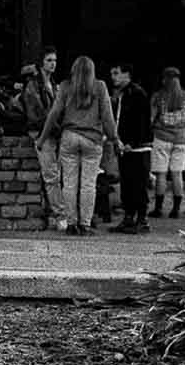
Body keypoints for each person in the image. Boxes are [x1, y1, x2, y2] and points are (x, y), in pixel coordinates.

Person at [38, 55, 118, 236]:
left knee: (69, 183)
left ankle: (71, 224)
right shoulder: (100, 86)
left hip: (69, 137)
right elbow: (107, 116)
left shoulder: (66, 86)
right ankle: (85, 224)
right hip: (92, 139)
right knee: (88, 184)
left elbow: (54, 113)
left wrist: (42, 139)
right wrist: (114, 138)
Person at [20, 46, 62, 229]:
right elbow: (36, 113)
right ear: (41, 63)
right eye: (49, 60)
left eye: (54, 60)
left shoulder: (54, 83)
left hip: (53, 132)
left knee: (56, 174)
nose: (53, 64)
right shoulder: (34, 85)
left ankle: (60, 212)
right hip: (41, 133)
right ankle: (60, 214)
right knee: (51, 174)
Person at [147, 66, 185, 220]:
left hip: (162, 137)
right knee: (177, 174)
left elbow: (151, 118)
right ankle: (175, 209)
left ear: (164, 79)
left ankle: (158, 208)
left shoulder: (158, 96)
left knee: (161, 174)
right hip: (182, 139)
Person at [108, 64, 152, 234]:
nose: (113, 77)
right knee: (127, 183)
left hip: (137, 148)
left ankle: (142, 218)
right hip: (124, 146)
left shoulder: (137, 94)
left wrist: (132, 142)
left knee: (138, 183)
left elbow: (141, 121)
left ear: (127, 74)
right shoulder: (122, 95)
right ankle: (129, 216)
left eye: (116, 73)